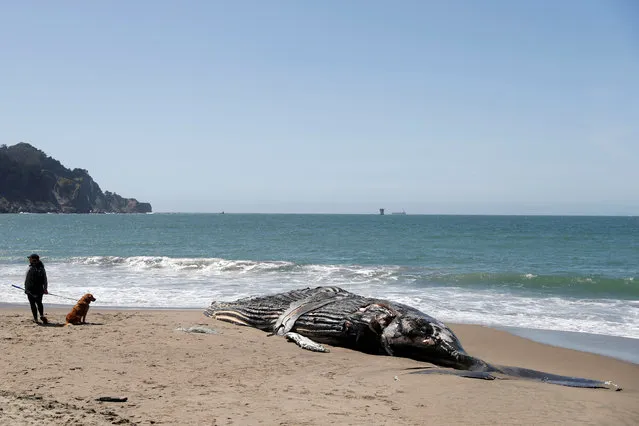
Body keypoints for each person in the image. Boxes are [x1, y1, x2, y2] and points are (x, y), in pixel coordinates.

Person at [24, 253, 48, 324]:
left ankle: (36, 319)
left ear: (33, 260)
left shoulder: (30, 268)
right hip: (40, 289)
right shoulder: (42, 268)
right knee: (39, 303)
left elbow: (27, 280)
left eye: (30, 258)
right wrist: (45, 289)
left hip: (30, 289)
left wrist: (26, 289)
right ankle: (41, 315)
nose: (29, 259)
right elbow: (45, 280)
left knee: (32, 304)